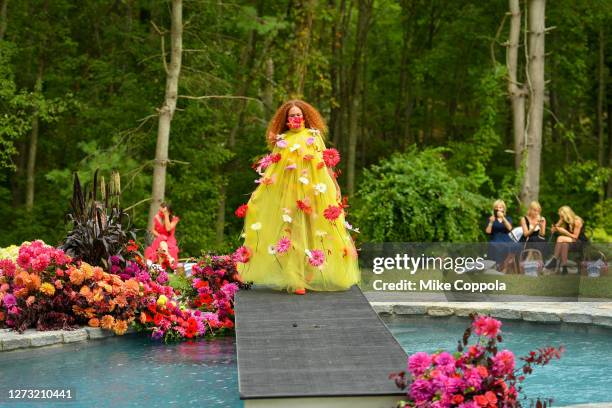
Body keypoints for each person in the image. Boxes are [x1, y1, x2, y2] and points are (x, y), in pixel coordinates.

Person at [235, 99, 360, 295]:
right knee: (292, 233)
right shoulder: (282, 140)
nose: (296, 118)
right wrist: (262, 193)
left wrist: (335, 185)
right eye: (292, 115)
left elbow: (325, 163)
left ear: (305, 117)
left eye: (299, 114)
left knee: (314, 230)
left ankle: (308, 272)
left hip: (314, 193)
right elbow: (273, 169)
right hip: (290, 196)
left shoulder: (314, 136)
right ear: (286, 119)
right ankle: (296, 276)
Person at [544, 205, 587, 275]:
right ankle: (564, 268)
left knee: (560, 238)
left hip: (580, 241)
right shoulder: (565, 221)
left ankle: (554, 260)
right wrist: (559, 222)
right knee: (564, 244)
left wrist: (564, 231)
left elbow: (575, 236)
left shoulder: (577, 221)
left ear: (567, 215)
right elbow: (553, 231)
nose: (561, 218)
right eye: (560, 216)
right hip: (571, 242)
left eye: (562, 216)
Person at [145, 202, 180, 269]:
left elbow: (168, 228)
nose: (161, 212)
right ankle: (169, 258)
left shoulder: (174, 219)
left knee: (162, 244)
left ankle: (162, 264)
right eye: (160, 210)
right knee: (161, 242)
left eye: (163, 210)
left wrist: (166, 215)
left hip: (170, 240)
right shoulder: (157, 217)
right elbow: (153, 230)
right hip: (159, 238)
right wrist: (160, 236)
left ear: (168, 211)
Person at [485, 199, 514, 270]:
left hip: (506, 238)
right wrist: (491, 222)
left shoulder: (508, 218)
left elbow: (510, 228)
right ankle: (497, 265)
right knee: (496, 245)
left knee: (514, 246)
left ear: (504, 209)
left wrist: (503, 217)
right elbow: (488, 232)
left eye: (500, 207)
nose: (498, 209)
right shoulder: (491, 218)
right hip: (495, 237)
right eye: (496, 207)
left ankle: (505, 264)